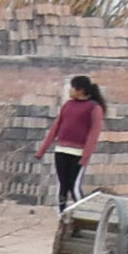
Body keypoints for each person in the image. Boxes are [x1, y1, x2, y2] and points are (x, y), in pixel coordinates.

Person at [40, 74, 109, 210]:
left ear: (81, 90)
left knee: (74, 187)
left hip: (78, 153)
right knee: (62, 187)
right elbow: (56, 128)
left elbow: (94, 134)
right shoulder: (68, 105)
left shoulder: (94, 107)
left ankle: (84, 214)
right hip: (61, 151)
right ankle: (62, 216)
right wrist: (42, 150)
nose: (70, 91)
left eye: (73, 88)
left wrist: (85, 157)